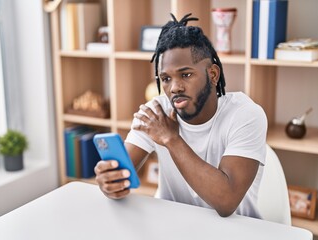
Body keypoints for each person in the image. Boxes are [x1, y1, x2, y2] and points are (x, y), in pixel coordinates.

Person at [94, 13, 267, 218]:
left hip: (238, 231)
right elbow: (121, 174)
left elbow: (226, 201)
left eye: (186, 75)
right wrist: (110, 181)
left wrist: (171, 139)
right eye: (166, 78)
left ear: (213, 74)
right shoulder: (156, 113)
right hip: (174, 227)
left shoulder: (245, 114)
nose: (174, 87)